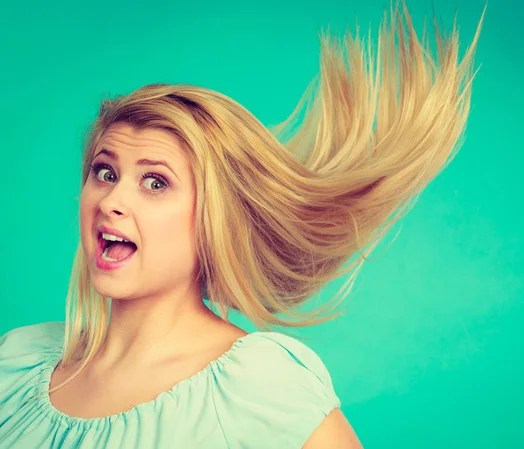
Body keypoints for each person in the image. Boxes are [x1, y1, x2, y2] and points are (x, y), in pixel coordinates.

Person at [0, 2, 485, 448]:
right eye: (104, 172)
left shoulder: (259, 386)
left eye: (155, 182)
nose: (112, 200)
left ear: (213, 218)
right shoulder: (16, 362)